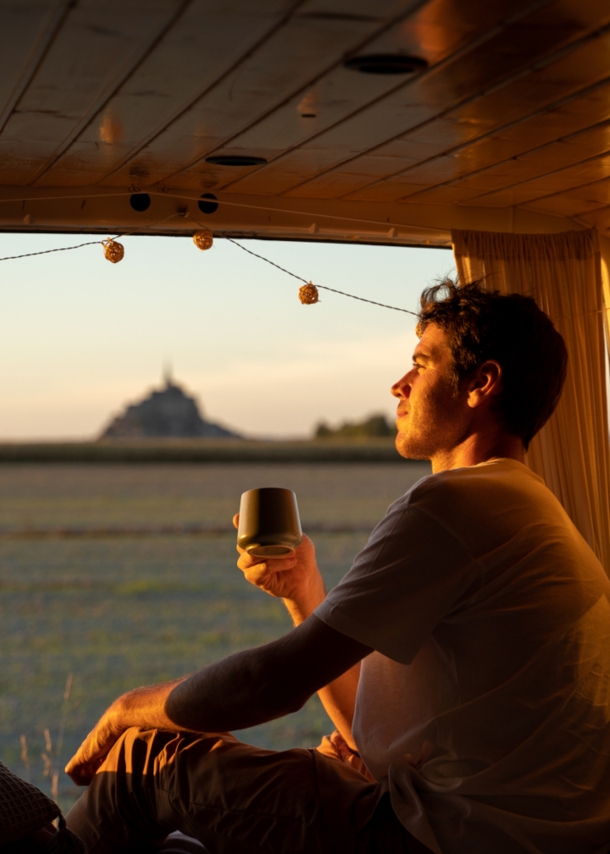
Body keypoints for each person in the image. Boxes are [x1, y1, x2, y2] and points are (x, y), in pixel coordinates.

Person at [65, 280, 610, 854]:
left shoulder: (455, 504)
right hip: (500, 831)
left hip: (442, 838)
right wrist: (304, 592)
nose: (398, 385)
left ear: (481, 383)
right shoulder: (529, 506)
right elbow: (369, 738)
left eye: (421, 364)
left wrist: (128, 710)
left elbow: (269, 684)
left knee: (145, 759)